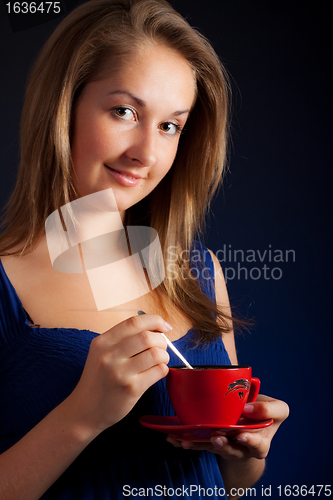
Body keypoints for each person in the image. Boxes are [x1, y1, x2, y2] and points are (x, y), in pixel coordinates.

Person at [0, 0, 289, 498]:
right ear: (62, 106)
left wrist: (246, 456)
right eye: (124, 111)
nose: (146, 154)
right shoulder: (5, 283)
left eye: (169, 126)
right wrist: (82, 416)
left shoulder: (196, 270)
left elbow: (229, 485)